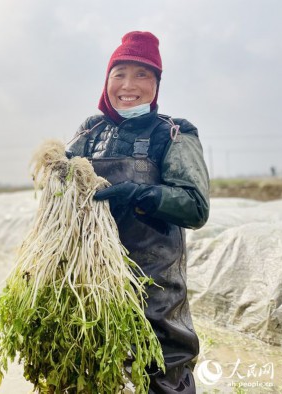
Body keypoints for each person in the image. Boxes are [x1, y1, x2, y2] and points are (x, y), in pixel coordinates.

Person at [65, 31, 210, 393]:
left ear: (156, 84)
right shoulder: (88, 133)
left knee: (162, 370)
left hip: (154, 288)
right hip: (91, 284)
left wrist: (140, 195)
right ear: (107, 79)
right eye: (120, 73)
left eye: (142, 74)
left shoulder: (173, 134)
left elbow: (195, 206)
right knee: (86, 371)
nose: (129, 85)